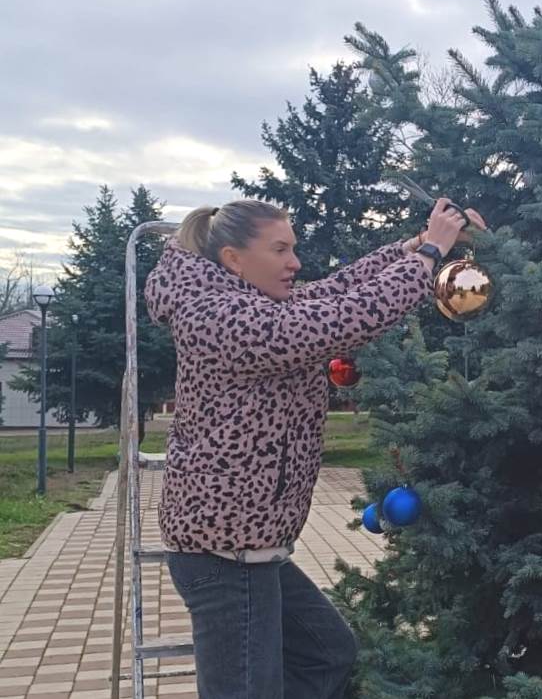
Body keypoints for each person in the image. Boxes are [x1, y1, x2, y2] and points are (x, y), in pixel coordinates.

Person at [144, 196, 485, 698]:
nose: (295, 263)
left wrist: (416, 243)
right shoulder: (216, 316)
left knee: (326, 653)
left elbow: (339, 289)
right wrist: (432, 251)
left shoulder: (254, 302)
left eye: (293, 248)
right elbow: (346, 317)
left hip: (252, 548)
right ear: (234, 259)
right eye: (280, 250)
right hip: (225, 553)